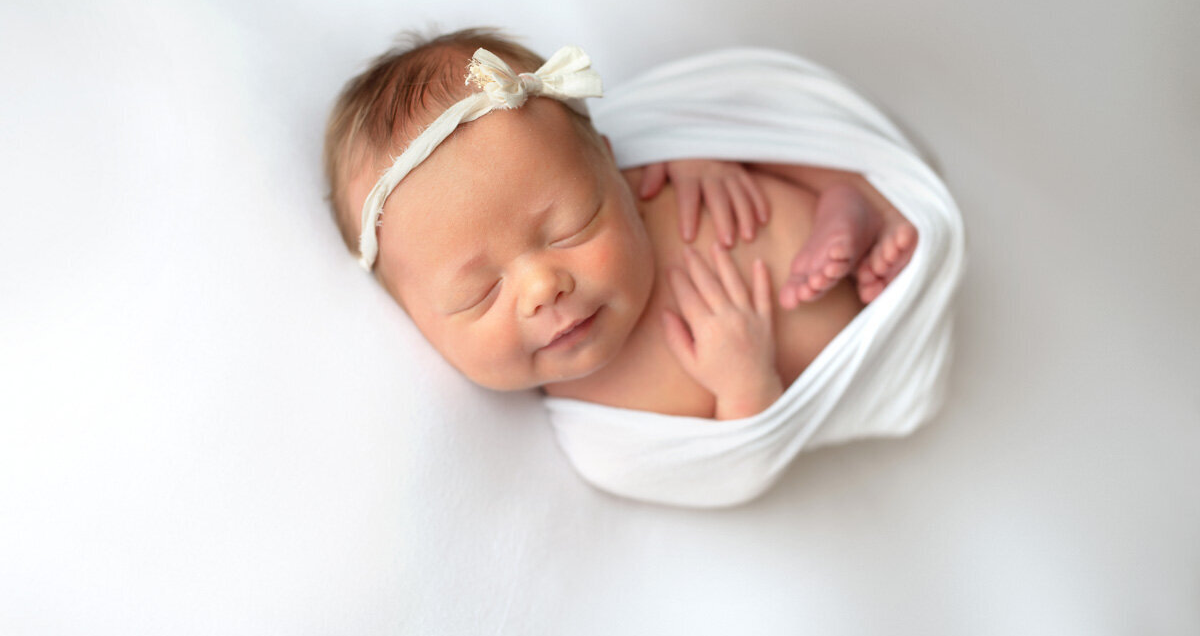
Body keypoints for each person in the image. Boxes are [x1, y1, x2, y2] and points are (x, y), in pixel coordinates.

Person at [323, 28, 917, 420]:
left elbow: (713, 109)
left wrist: (700, 152)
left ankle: (850, 192)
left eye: (571, 226)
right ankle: (867, 222)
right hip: (872, 343)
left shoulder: (644, 178)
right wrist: (746, 387)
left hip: (799, 212)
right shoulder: (605, 421)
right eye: (479, 292)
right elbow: (728, 473)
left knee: (740, 138)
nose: (541, 288)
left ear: (608, 165)